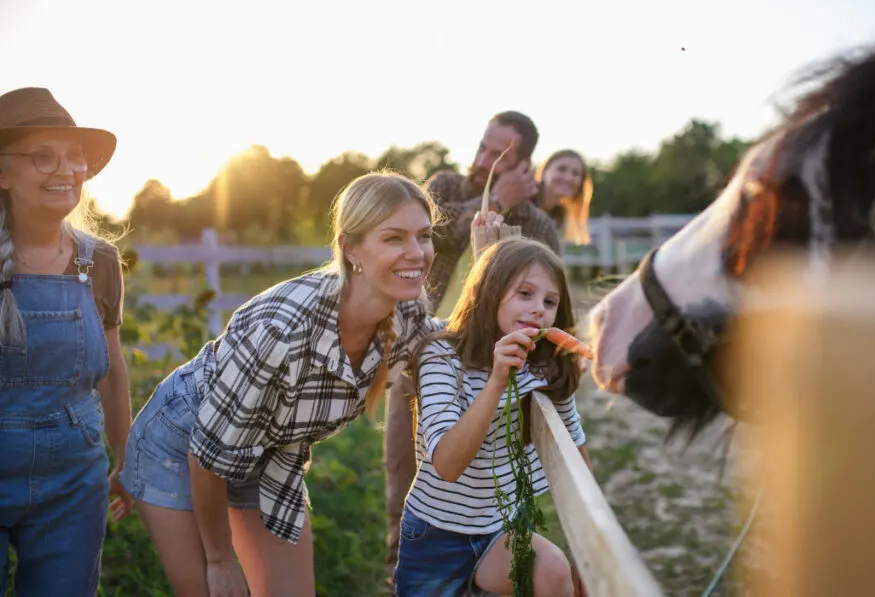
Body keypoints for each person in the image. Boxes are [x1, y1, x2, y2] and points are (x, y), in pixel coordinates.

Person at [119, 171, 442, 597]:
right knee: (214, 590)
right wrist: (219, 560)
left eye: (424, 235)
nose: (417, 253)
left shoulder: (409, 316)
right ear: (351, 249)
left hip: (267, 454)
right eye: (394, 238)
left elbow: (464, 344)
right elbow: (207, 454)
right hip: (182, 447)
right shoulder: (283, 330)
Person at [383, 110, 564, 588]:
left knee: (486, 466)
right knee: (406, 463)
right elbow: (425, 233)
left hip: (494, 365)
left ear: (523, 165)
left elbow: (545, 287)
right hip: (429, 352)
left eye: (498, 154)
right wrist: (484, 209)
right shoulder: (444, 185)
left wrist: (507, 222)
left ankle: (484, 561)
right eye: (483, 146)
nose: (483, 159)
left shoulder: (538, 224)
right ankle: (400, 566)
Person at [395, 236, 589, 597]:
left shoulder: (544, 366)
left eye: (550, 302)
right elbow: (448, 466)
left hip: (501, 530)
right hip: (435, 535)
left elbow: (574, 444)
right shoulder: (442, 357)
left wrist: (587, 544)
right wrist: (498, 380)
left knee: (553, 571)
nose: (538, 310)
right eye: (525, 293)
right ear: (490, 292)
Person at [0, 87, 133, 596]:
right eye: (42, 156)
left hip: (72, 483)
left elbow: (113, 369)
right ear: (3, 174)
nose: (66, 169)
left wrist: (124, 458)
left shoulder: (96, 261)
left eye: (75, 156)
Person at [533, 149, 594, 246]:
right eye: (561, 169)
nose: (568, 178)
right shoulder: (521, 202)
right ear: (544, 172)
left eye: (575, 174)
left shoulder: (558, 215)